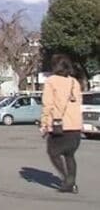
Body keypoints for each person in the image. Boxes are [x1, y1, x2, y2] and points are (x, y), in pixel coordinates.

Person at [40, 55, 83, 194]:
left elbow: (48, 104)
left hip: (59, 125)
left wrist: (45, 123)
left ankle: (67, 180)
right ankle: (71, 181)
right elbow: (78, 103)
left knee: (53, 153)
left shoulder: (51, 81)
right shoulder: (74, 82)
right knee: (69, 155)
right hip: (75, 126)